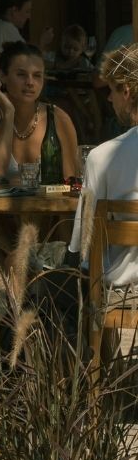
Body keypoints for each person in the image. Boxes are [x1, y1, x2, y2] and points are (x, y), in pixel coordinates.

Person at [69, 42, 138, 292]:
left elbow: (83, 245)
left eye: (111, 90)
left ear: (126, 91)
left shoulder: (103, 157)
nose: (109, 99)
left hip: (123, 292)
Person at [0, 40, 80, 182]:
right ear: (3, 76)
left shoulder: (58, 118)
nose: (30, 82)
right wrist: (9, 114)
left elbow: (70, 179)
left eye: (37, 75)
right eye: (21, 74)